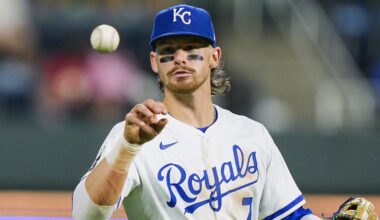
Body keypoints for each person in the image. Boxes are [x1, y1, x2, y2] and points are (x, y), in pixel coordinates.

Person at [72, 4, 322, 220]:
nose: (180, 58)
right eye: (168, 51)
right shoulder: (134, 134)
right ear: (153, 61)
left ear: (214, 56)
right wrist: (127, 148)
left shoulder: (252, 134)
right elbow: (84, 215)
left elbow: (288, 214)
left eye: (191, 48)